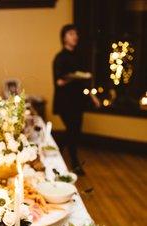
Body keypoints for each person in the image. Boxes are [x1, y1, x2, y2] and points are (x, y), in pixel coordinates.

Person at [53, 24, 100, 175]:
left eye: (76, 34)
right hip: (65, 101)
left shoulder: (79, 57)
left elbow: (84, 82)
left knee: (75, 131)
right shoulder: (59, 58)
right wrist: (74, 76)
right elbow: (59, 82)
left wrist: (92, 97)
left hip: (78, 101)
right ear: (64, 37)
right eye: (72, 34)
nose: (75, 36)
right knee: (72, 130)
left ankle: (58, 153)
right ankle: (72, 161)